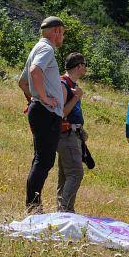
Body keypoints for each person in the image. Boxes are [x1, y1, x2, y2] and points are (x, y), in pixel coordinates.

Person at [18, 16, 66, 213]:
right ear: (55, 32)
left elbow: (23, 82)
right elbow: (35, 71)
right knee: (44, 161)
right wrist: (44, 99)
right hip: (46, 112)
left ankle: (33, 206)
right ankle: (33, 208)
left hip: (39, 110)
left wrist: (34, 99)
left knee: (41, 159)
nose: (62, 36)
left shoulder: (37, 47)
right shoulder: (46, 49)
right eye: (62, 32)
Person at [56, 52, 88, 213]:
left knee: (65, 175)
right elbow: (61, 112)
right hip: (65, 135)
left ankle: (61, 210)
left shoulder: (71, 84)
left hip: (72, 134)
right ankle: (66, 210)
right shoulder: (63, 84)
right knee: (75, 173)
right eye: (84, 65)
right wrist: (76, 97)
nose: (86, 69)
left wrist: (81, 129)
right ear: (79, 66)